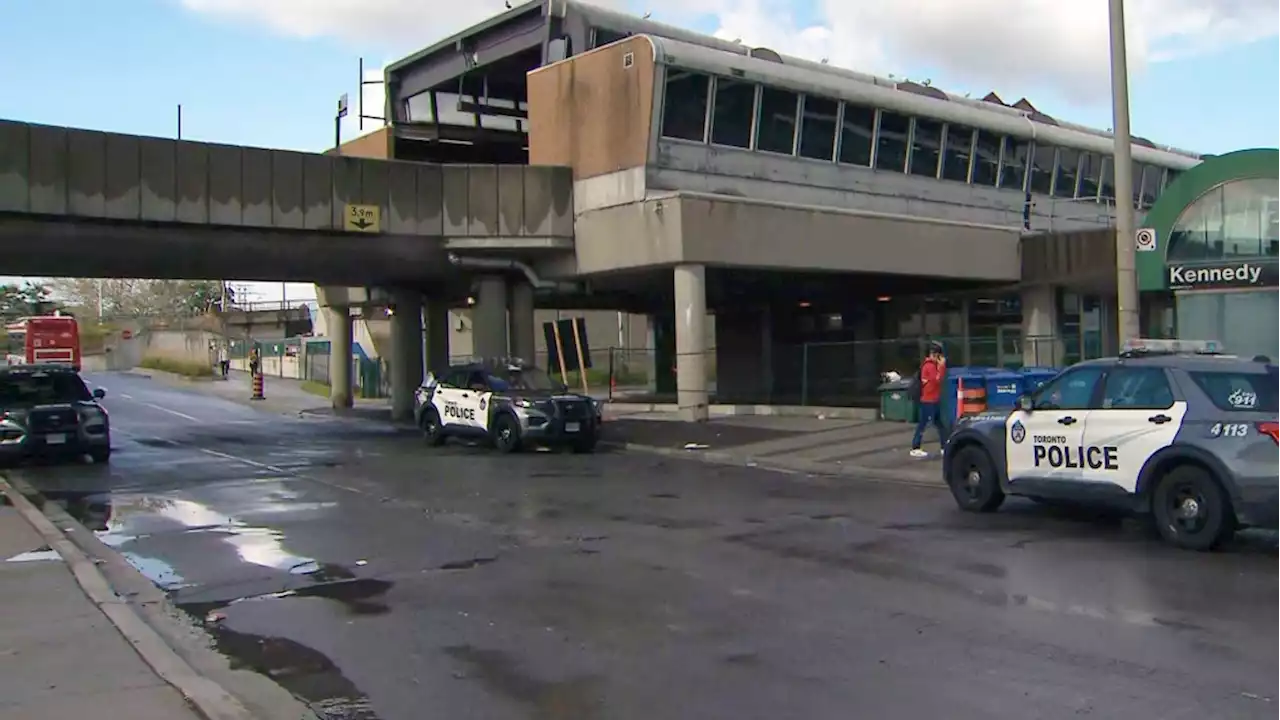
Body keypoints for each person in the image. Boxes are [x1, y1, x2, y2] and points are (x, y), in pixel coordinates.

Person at [910, 342, 948, 458]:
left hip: (933, 399)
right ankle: (915, 447)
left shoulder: (932, 365)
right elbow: (936, 380)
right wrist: (942, 367)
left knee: (939, 424)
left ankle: (944, 446)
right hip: (928, 400)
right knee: (923, 424)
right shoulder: (929, 366)